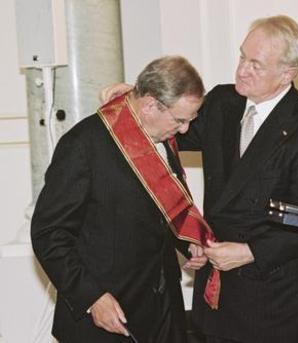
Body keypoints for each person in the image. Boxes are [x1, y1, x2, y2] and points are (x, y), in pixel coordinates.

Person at [103, 15, 298, 343]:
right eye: (243, 57)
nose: (243, 69)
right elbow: (172, 133)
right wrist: (144, 101)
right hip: (221, 294)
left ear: (288, 73)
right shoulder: (220, 102)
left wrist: (251, 251)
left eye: (256, 65)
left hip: (277, 299)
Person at [31, 56, 209, 343]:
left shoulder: (163, 137)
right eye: (181, 120)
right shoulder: (84, 145)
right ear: (150, 105)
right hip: (105, 317)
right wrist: (92, 298)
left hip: (163, 313)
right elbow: (48, 234)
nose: (186, 130)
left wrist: (185, 241)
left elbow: (155, 210)